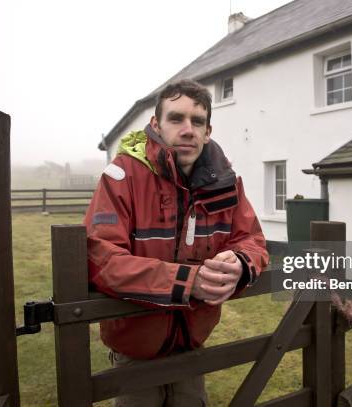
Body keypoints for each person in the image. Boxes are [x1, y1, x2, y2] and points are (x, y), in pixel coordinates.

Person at [84, 79, 269, 406]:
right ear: (156, 124)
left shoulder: (225, 182)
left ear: (208, 131)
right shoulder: (121, 177)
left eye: (197, 121)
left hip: (193, 347)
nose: (188, 130)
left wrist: (240, 264)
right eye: (176, 119)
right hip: (134, 351)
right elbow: (103, 259)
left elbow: (251, 239)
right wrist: (188, 282)